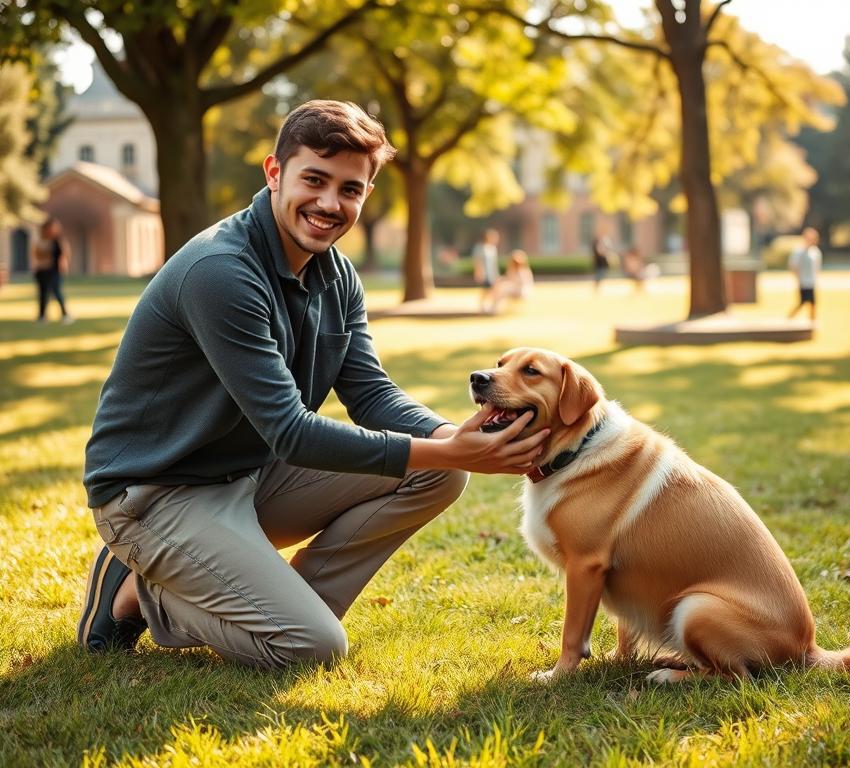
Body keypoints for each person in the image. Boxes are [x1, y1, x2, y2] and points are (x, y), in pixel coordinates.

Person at [78, 100, 550, 668]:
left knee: (439, 474)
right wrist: (456, 449)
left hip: (247, 475)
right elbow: (291, 433)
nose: (330, 204)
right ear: (275, 173)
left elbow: (370, 392)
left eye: (350, 189)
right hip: (154, 493)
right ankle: (135, 590)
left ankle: (284, 604)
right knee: (313, 646)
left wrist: (453, 438)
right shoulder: (221, 271)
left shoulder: (337, 273)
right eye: (315, 180)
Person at [31, 217, 73, 323]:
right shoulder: (40, 241)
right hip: (42, 270)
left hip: (55, 271)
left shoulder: (59, 241)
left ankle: (65, 315)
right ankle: (42, 316)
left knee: (57, 292)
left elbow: (65, 254)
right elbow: (36, 254)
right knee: (43, 293)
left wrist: (64, 265)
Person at [481, 249, 534, 314]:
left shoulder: (523, 271)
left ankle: (493, 308)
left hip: (520, 291)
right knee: (499, 287)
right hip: (515, 289)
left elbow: (521, 284)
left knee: (501, 289)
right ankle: (490, 306)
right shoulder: (513, 270)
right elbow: (508, 279)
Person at [787, 227, 822, 321]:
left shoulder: (815, 252)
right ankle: (790, 317)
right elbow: (794, 266)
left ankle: (812, 320)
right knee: (803, 302)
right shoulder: (799, 251)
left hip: (811, 281)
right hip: (803, 281)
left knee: (813, 303)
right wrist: (797, 278)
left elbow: (817, 267)